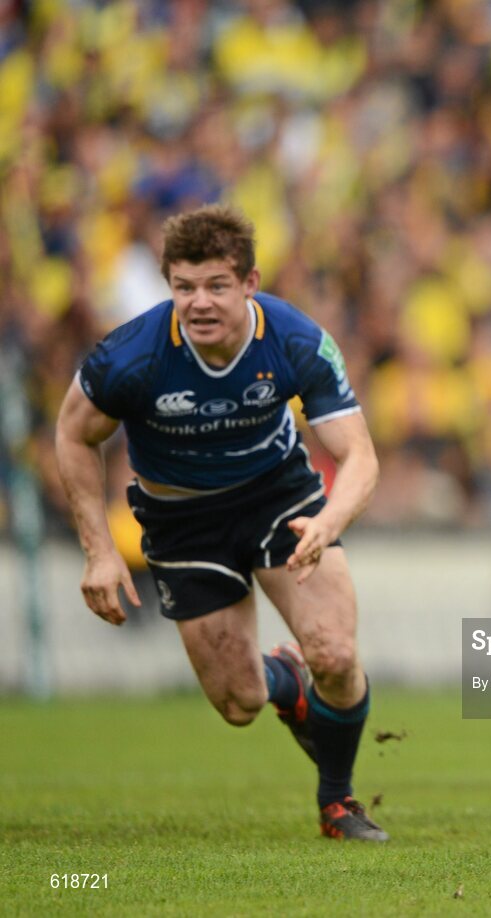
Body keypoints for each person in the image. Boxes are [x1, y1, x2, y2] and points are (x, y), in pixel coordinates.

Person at [55, 204, 388, 842]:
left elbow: (359, 455)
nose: (199, 302)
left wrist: (329, 518)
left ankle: (337, 803)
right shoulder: (131, 356)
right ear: (168, 286)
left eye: (215, 286)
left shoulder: (293, 339)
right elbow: (73, 435)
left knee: (338, 656)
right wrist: (99, 552)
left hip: (279, 498)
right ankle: (286, 683)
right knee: (239, 704)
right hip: (182, 520)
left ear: (249, 283)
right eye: (184, 287)